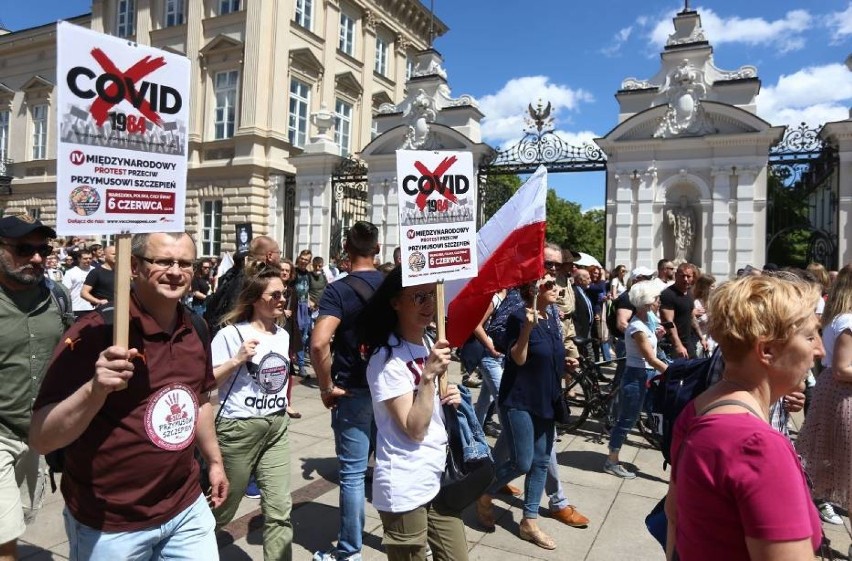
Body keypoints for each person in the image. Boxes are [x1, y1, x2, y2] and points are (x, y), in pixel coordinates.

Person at [29, 232, 229, 560]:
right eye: (163, 261)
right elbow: (41, 438)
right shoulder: (94, 333)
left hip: (186, 508)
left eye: (184, 263)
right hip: (112, 524)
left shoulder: (196, 327)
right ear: (134, 265)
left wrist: (215, 462)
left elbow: (200, 400)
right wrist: (95, 389)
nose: (176, 271)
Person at [665, 274, 824, 561]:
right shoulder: (758, 447)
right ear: (767, 351)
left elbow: (674, 523)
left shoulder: (699, 408)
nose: (819, 350)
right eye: (810, 336)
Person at [360, 266, 467, 561]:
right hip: (405, 482)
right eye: (419, 296)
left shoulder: (429, 343)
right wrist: (429, 378)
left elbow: (431, 410)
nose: (429, 305)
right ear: (395, 302)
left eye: (433, 296)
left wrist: (451, 395)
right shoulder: (385, 359)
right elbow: (414, 427)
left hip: (438, 474)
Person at [311, 222, 385, 561]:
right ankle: (410, 538)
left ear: (346, 249)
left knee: (354, 474)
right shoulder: (390, 285)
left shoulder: (337, 290)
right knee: (391, 464)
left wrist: (326, 385)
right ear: (378, 248)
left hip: (352, 387)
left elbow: (318, 343)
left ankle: (350, 551)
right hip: (389, 387)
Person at [0, 215, 72, 560]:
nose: (38, 258)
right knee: (6, 537)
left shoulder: (56, 297)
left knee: (22, 517)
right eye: (24, 249)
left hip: (36, 434)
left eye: (44, 249)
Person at [210, 267, 294, 561]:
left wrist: (284, 401)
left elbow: (280, 375)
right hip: (237, 430)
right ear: (256, 299)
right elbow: (205, 382)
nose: (283, 299)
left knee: (280, 510)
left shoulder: (283, 335)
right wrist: (237, 360)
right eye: (276, 294)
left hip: (276, 427)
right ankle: (185, 549)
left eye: (285, 293)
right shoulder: (231, 334)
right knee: (221, 511)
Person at [476, 275, 564, 550]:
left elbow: (549, 353)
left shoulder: (552, 317)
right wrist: (526, 328)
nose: (557, 288)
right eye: (549, 284)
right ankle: (483, 492)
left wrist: (566, 362)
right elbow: (518, 358)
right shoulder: (518, 316)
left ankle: (529, 520)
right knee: (522, 462)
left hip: (547, 399)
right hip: (519, 399)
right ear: (533, 289)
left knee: (540, 462)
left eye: (556, 283)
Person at [796, 264, 852, 527]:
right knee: (844, 465)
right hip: (843, 394)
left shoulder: (839, 316)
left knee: (836, 462)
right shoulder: (848, 321)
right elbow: (843, 369)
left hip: (834, 391)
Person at [604, 281, 668, 479]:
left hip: (647, 375)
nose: (659, 302)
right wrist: (672, 371)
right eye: (656, 299)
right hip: (636, 376)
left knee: (655, 416)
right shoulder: (637, 327)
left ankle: (671, 455)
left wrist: (658, 335)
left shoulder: (649, 319)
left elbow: (652, 349)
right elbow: (650, 357)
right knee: (627, 420)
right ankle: (611, 460)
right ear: (647, 302)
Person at [660, 263, 706, 359]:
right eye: (682, 276)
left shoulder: (689, 293)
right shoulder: (668, 295)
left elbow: (691, 317)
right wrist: (678, 345)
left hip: (688, 343)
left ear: (693, 278)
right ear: (676, 276)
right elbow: (668, 322)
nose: (685, 279)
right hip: (673, 345)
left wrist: (701, 338)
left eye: (688, 276)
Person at [62, 248, 95, 319]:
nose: (88, 260)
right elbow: (66, 291)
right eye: (85, 258)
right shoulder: (70, 273)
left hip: (94, 307)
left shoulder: (96, 271)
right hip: (77, 308)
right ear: (79, 259)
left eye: (90, 258)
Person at [691, 273, 716, 357]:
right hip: (699, 341)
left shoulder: (713, 302)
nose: (714, 288)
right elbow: (694, 323)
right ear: (705, 288)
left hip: (712, 341)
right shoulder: (696, 303)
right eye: (712, 286)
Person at [666, 196, 695, 263]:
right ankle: (678, 258)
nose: (683, 203)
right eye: (682, 201)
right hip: (678, 231)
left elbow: (693, 221)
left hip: (688, 232)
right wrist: (671, 216)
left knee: (687, 245)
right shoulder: (677, 210)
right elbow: (669, 212)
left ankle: (685, 258)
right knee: (677, 243)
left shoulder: (690, 210)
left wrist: (693, 231)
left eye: (684, 201)